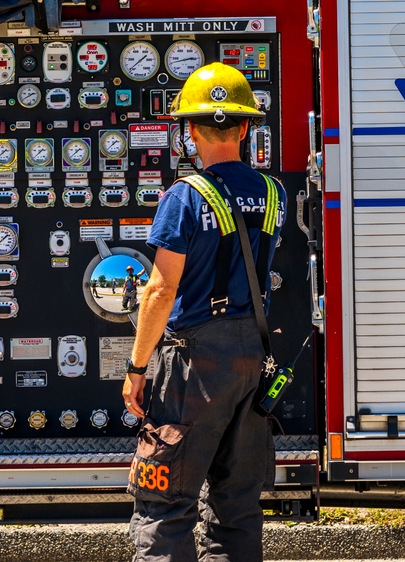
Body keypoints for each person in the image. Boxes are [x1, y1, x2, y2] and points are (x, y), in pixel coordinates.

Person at [122, 62, 286, 562]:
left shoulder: (184, 197)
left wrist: (136, 368)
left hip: (195, 365)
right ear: (245, 128)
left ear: (189, 131)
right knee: (237, 505)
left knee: (165, 500)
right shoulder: (273, 193)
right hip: (253, 359)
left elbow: (160, 289)